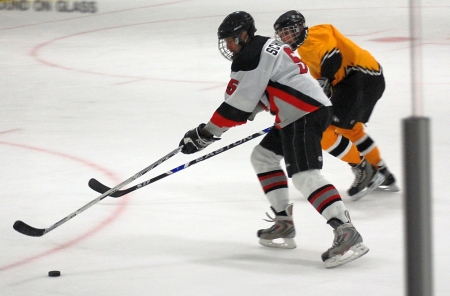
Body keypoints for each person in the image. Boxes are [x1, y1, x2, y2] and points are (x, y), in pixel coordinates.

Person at [179, 11, 369, 268]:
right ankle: (283, 223)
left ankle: (346, 231)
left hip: (303, 112)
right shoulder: (263, 46)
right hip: (300, 111)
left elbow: (237, 107)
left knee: (304, 176)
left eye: (232, 40)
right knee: (263, 157)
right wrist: (214, 130)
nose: (229, 46)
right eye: (225, 41)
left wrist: (206, 133)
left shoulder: (251, 56)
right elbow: (258, 95)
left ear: (245, 34)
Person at [273, 10, 399, 200]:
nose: (285, 37)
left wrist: (324, 81)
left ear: (299, 28)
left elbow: (333, 59)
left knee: (323, 129)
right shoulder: (305, 53)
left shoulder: (317, 35)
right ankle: (382, 172)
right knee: (351, 129)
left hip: (360, 78)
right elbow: (318, 85)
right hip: (361, 80)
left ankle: (364, 169)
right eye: (281, 34)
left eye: (287, 32)